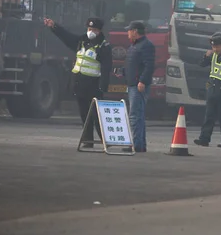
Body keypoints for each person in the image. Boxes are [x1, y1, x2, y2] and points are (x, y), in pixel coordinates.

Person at [44, 17, 112, 145]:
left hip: (94, 85)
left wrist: (103, 87)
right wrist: (54, 27)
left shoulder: (103, 46)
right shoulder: (81, 41)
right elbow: (67, 37)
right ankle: (88, 139)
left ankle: (105, 139)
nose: (90, 31)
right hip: (80, 83)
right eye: (89, 29)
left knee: (97, 114)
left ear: (99, 31)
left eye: (93, 29)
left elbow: (106, 67)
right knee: (84, 113)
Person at [122, 21, 155, 153]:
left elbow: (149, 66)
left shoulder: (146, 45)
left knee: (135, 115)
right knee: (138, 115)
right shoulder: (134, 46)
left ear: (135, 31)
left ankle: (136, 144)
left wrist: (142, 81)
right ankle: (140, 145)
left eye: (129, 30)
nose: (127, 33)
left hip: (138, 85)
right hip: (132, 84)